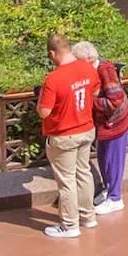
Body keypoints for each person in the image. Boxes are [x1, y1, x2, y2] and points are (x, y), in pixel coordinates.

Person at [36, 32, 100, 238]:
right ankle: (89, 217)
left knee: (67, 181)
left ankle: (70, 226)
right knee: (84, 172)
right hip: (86, 129)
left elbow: (44, 111)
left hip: (64, 135)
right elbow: (96, 92)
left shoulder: (53, 79)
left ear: (53, 53)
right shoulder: (87, 68)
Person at [74, 40, 128, 215]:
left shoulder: (105, 71)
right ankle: (109, 189)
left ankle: (115, 198)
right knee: (104, 158)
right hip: (105, 125)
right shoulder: (91, 71)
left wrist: (90, 101)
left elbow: (115, 100)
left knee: (114, 161)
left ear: (90, 58)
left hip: (117, 123)